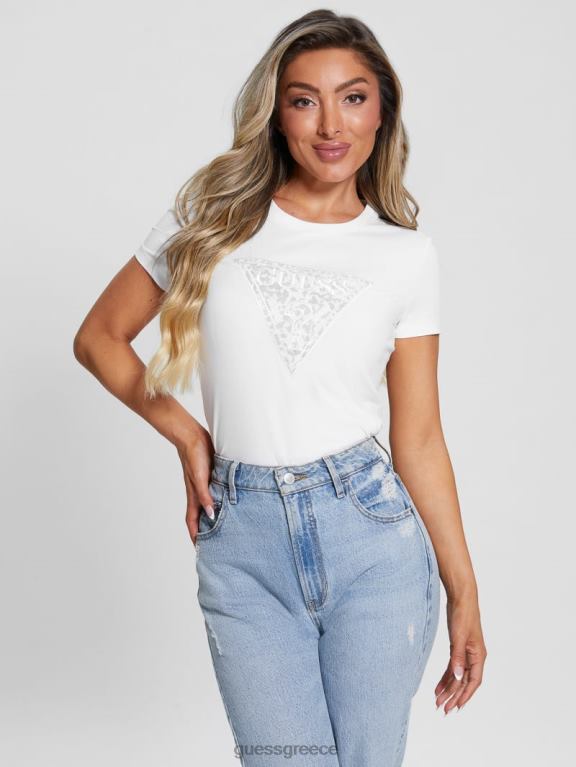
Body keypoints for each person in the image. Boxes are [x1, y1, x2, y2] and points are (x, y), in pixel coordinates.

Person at [73, 9, 487, 766]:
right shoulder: (212, 216)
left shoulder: (406, 256)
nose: (330, 124)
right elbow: (99, 337)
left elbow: (420, 436)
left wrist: (465, 591)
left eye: (353, 98)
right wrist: (187, 433)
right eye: (304, 100)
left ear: (382, 110)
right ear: (277, 114)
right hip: (243, 542)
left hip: (371, 537)